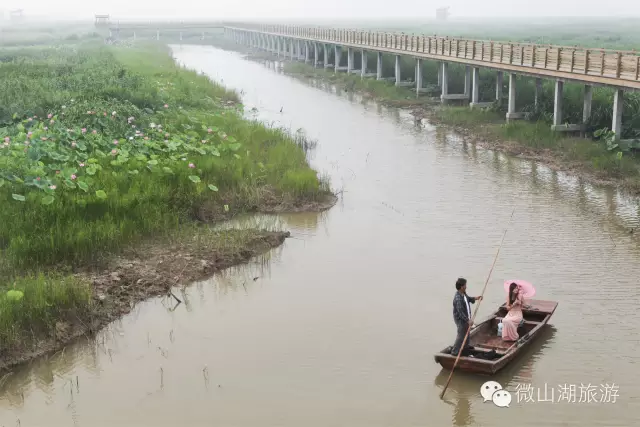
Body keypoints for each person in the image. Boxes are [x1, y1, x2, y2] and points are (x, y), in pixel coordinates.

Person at [451, 278, 483, 355]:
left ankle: (465, 347)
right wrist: (468, 320)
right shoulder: (458, 298)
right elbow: (460, 312)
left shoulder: (463, 293)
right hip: (461, 319)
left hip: (466, 318)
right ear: (461, 287)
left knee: (467, 332)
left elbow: (468, 299)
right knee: (461, 335)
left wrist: (476, 298)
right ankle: (455, 351)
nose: (466, 286)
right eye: (465, 285)